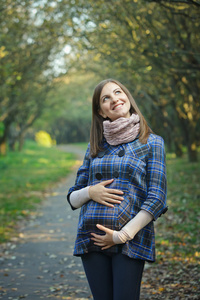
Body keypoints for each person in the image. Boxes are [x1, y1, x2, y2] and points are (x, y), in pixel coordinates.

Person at [67, 78, 167, 300]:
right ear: (101, 111)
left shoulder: (152, 142)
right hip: (92, 236)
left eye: (117, 92)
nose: (114, 99)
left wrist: (122, 235)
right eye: (106, 98)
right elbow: (73, 198)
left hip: (130, 238)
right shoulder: (95, 146)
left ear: (127, 98)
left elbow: (157, 198)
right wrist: (90, 192)